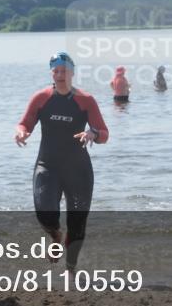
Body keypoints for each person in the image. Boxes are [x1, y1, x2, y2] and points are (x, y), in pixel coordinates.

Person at [15, 52, 109, 271]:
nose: (60, 75)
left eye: (64, 71)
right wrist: (21, 132)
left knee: (77, 224)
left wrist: (93, 133)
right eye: (56, 71)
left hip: (78, 169)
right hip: (47, 165)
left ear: (72, 73)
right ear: (51, 73)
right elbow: (24, 123)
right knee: (45, 214)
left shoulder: (85, 100)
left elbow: (104, 133)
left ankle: (71, 270)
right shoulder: (41, 98)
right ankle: (56, 237)